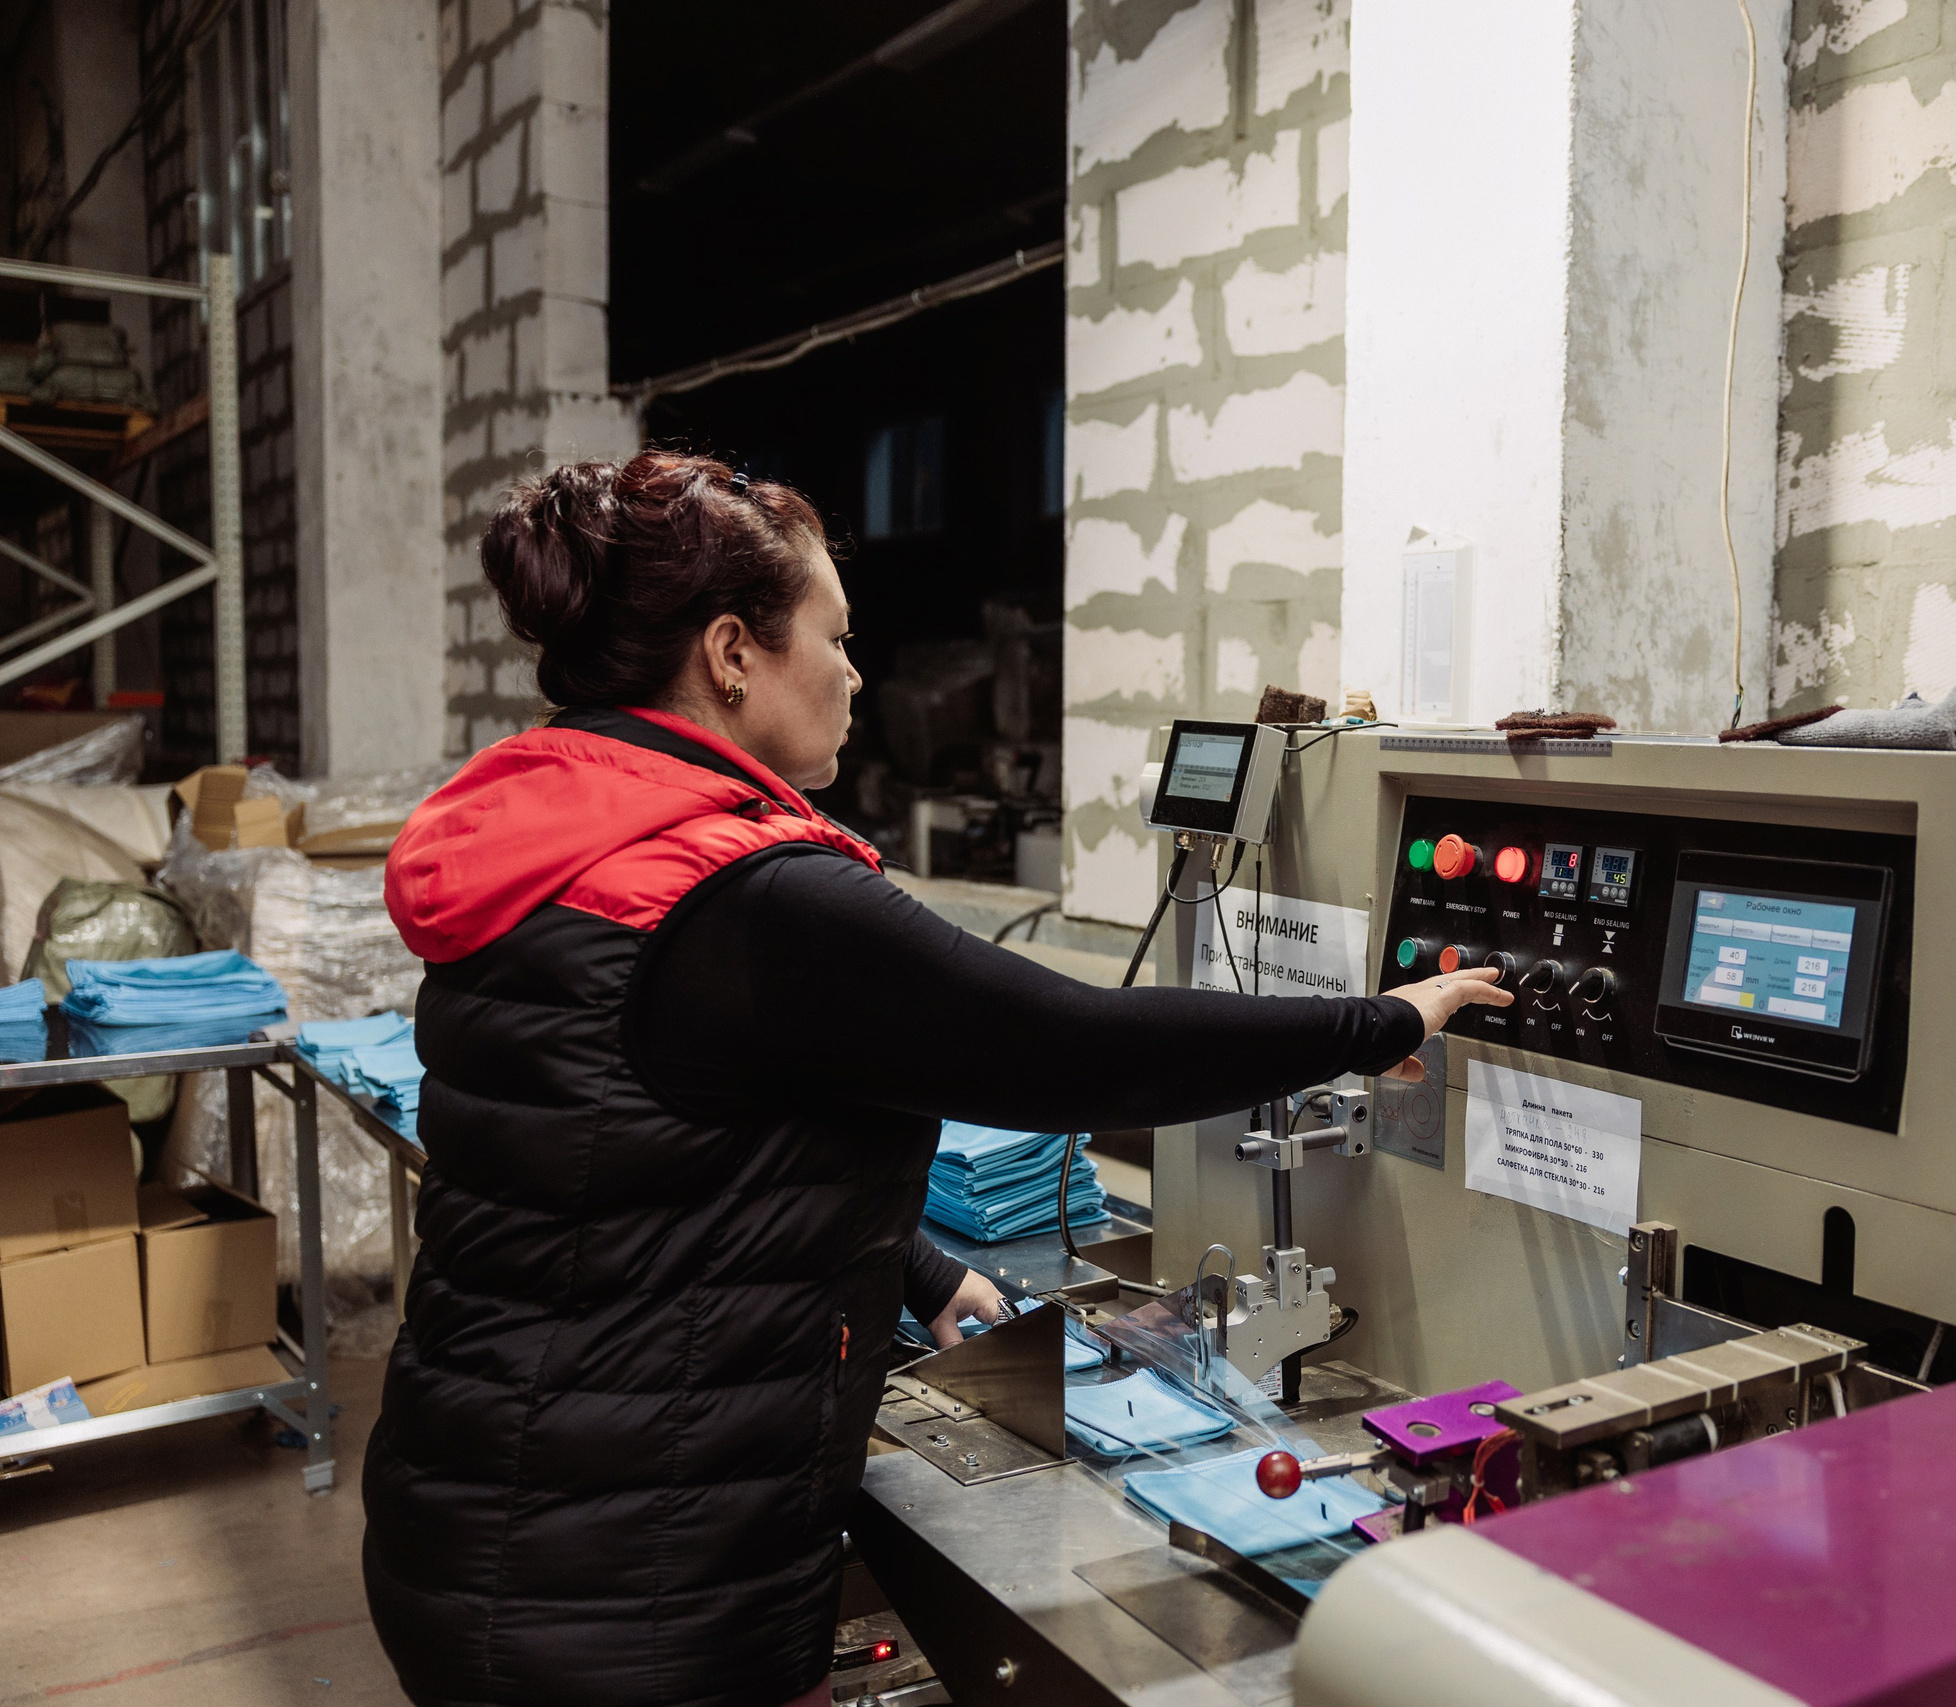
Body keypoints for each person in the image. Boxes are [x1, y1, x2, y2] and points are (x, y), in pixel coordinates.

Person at [361, 450, 1509, 1707]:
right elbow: (1072, 1047)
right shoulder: (749, 896)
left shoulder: (555, 855)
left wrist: (917, 1270)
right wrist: (1375, 1020)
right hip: (634, 1585)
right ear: (734, 652)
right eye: (838, 639)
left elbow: (654, 1152)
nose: (857, 676)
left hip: (487, 1515)